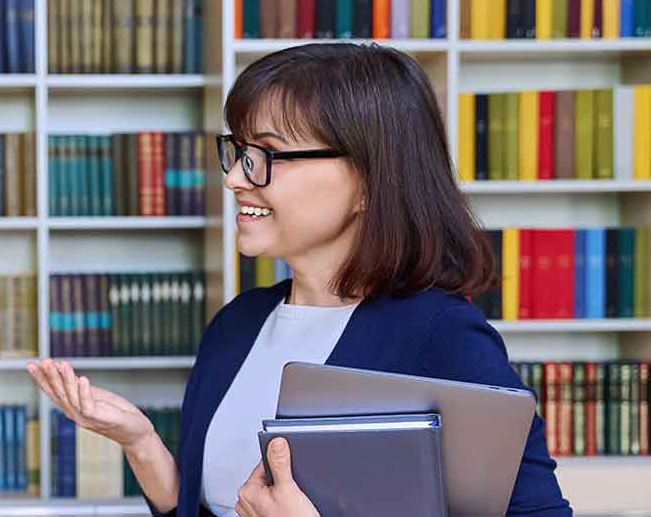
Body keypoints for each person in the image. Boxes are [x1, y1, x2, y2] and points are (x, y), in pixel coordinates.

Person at [28, 43, 572, 517]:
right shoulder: (236, 325)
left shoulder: (442, 335)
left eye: (266, 155)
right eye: (238, 151)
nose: (234, 177)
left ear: (368, 183)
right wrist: (142, 443)